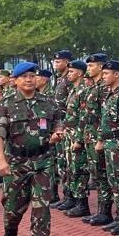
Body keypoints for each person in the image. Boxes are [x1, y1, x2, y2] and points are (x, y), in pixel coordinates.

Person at [0, 61, 66, 236]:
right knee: (12, 208)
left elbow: (58, 122)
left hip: (43, 160)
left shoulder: (48, 102)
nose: (29, 80)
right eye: (24, 77)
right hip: (16, 163)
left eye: (32, 76)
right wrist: (1, 161)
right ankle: (10, 232)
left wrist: (57, 133)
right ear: (15, 81)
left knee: (42, 206)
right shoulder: (6, 104)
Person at [81, 54, 114, 226]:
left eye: (91, 66)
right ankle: (101, 211)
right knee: (97, 174)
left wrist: (100, 138)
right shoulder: (94, 87)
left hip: (99, 138)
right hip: (91, 137)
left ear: (100, 67)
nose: (88, 69)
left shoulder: (104, 88)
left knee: (103, 175)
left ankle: (105, 212)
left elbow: (104, 116)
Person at [98, 60, 119, 235]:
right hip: (109, 143)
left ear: (116, 74)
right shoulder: (110, 94)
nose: (103, 77)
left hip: (118, 143)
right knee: (113, 181)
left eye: (106, 74)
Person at [59, 60, 92, 218]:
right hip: (69, 134)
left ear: (79, 73)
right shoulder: (74, 90)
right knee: (70, 169)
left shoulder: (84, 91)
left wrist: (78, 139)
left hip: (77, 135)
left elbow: (83, 117)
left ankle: (82, 204)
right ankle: (72, 198)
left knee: (79, 169)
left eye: (72, 72)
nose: (69, 74)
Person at [50, 50, 75, 209]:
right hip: (59, 126)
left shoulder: (70, 81)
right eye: (55, 61)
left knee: (68, 164)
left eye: (58, 62)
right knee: (62, 163)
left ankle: (71, 197)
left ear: (67, 62)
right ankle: (67, 196)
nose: (56, 64)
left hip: (67, 127)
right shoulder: (60, 80)